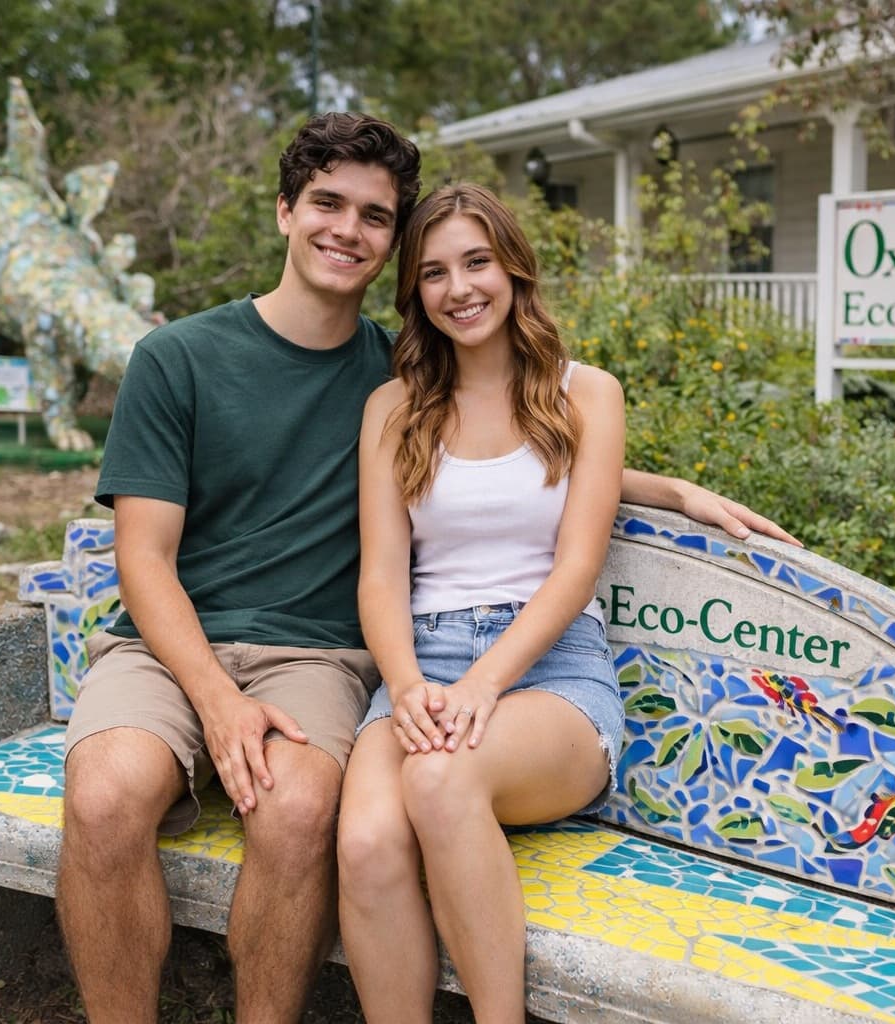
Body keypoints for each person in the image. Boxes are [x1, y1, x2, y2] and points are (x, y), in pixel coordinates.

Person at [56, 113, 797, 1024]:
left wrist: (668, 489)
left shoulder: (448, 379)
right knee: (133, 801)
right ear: (286, 211)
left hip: (370, 662)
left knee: (313, 814)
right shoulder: (245, 371)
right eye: (327, 204)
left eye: (375, 217)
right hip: (224, 656)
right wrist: (245, 701)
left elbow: (529, 462)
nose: (348, 230)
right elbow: (153, 559)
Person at [337, 183, 627, 1023]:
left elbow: (576, 567)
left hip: (550, 673)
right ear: (415, 295)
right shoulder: (393, 409)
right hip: (417, 667)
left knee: (439, 779)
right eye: (434, 273)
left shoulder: (587, 395)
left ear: (514, 269)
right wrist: (410, 683)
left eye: (476, 262)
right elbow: (382, 576)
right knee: (363, 841)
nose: (459, 288)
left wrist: (484, 684)